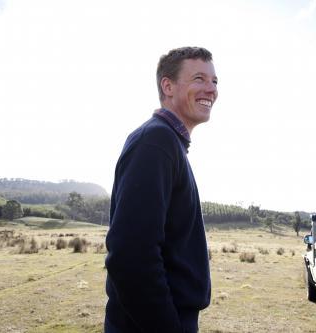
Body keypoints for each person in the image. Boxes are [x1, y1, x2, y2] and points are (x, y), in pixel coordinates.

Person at [104, 46, 218, 333]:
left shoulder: (169, 144)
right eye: (199, 79)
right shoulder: (156, 142)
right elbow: (131, 255)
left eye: (214, 82)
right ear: (168, 86)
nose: (211, 89)